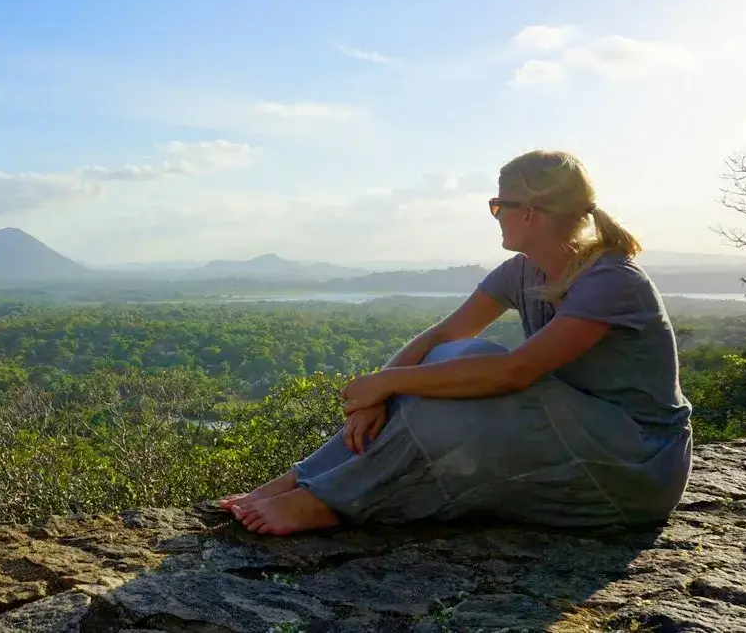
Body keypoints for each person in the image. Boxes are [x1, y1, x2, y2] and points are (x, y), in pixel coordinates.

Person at [219, 149, 693, 536]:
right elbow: (444, 335)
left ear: (528, 213)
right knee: (449, 359)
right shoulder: (523, 271)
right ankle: (303, 481)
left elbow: (515, 372)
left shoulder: (611, 280)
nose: (495, 215)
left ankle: (329, 502)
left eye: (497, 205)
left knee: (460, 379)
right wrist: (378, 395)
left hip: (636, 464)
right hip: (577, 435)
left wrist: (388, 383)